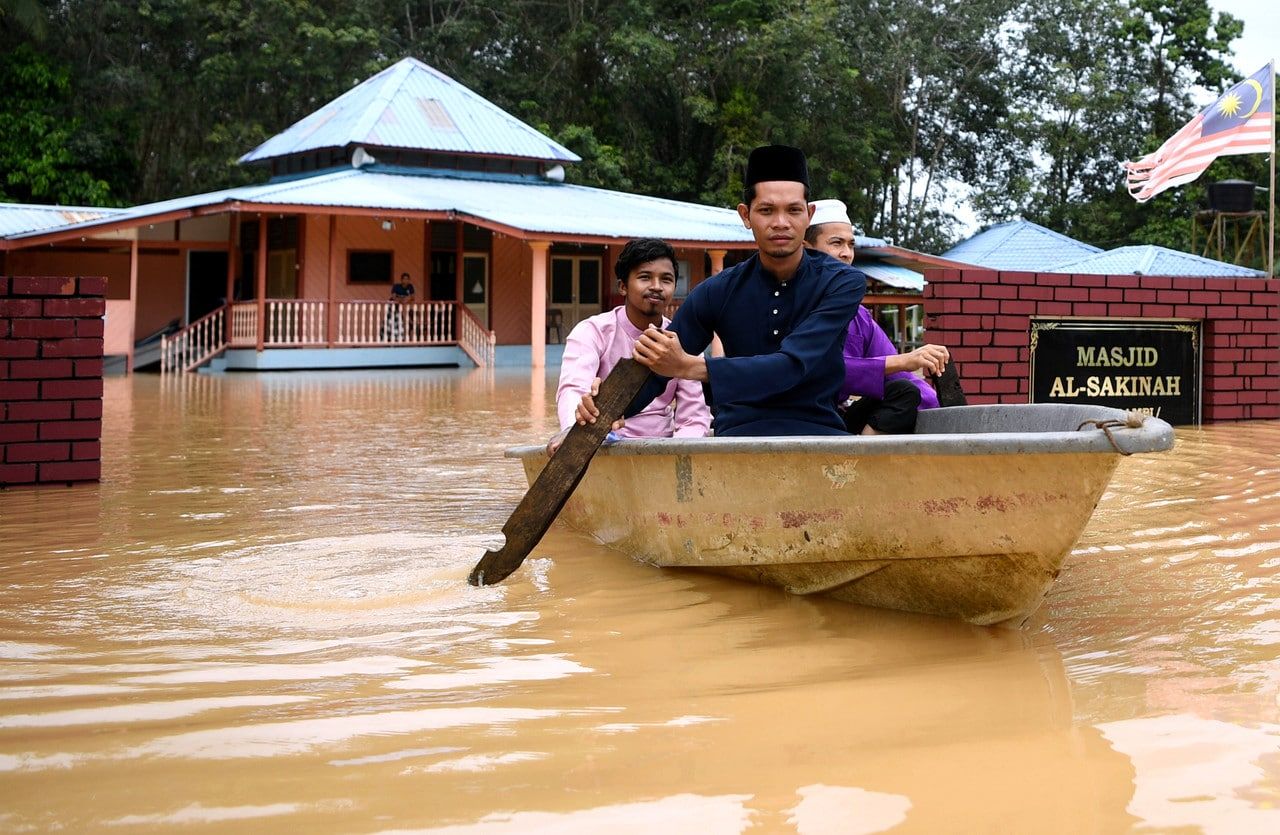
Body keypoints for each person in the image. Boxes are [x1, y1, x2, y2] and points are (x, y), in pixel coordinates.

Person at [609, 145, 865, 436]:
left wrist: (690, 367)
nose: (781, 223)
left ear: (808, 214)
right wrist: (607, 403)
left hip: (819, 433)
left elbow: (791, 366)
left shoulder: (841, 283)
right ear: (746, 215)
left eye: (793, 210)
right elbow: (655, 369)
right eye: (766, 210)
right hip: (736, 439)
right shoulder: (716, 291)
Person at [548, 238, 711, 454]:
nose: (656, 287)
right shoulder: (592, 331)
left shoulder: (682, 341)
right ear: (623, 286)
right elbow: (575, 389)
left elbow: (694, 417)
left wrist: (676, 454)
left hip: (662, 449)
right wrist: (572, 429)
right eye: (645, 277)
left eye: (666, 279)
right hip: (604, 446)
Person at [805, 199, 949, 434]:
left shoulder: (858, 315)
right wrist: (907, 359)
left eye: (851, 245)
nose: (846, 254)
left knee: (904, 392)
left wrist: (945, 414)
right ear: (807, 248)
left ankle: (864, 456)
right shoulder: (792, 306)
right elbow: (825, 370)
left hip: (838, 417)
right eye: (836, 243)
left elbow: (901, 376)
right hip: (795, 418)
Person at [385, 272, 416, 339]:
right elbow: (393, 297)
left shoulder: (410, 287)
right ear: (401, 280)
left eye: (407, 279)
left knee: (400, 321)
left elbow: (412, 297)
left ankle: (399, 338)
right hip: (392, 306)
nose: (406, 280)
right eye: (404, 279)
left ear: (409, 280)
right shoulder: (396, 286)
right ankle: (389, 338)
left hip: (400, 307)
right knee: (390, 322)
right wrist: (401, 300)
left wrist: (406, 301)